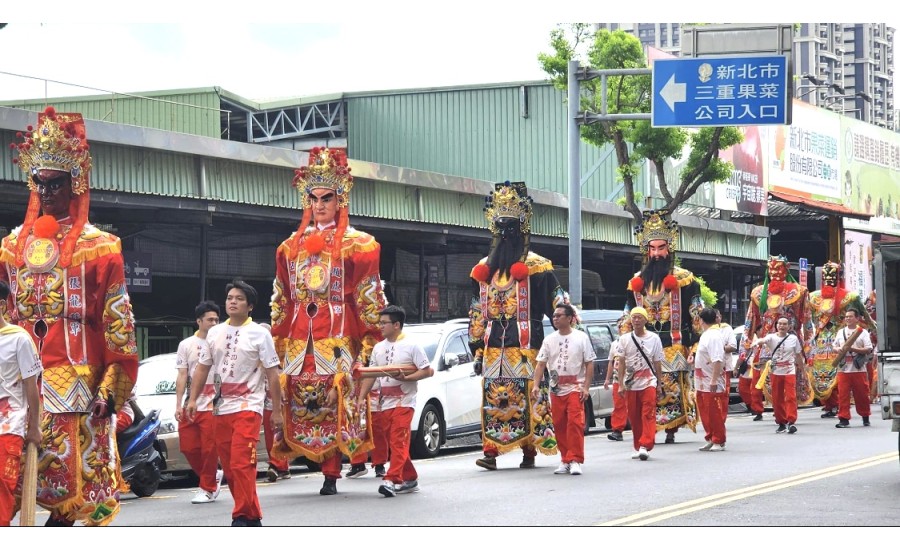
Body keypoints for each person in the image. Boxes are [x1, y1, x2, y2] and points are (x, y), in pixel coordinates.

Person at [1, 107, 139, 526]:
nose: (46, 193)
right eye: (39, 183)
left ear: (74, 182)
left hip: (78, 378)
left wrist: (111, 388)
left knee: (71, 480)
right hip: (16, 383)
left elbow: (119, 323)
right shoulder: (9, 248)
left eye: (56, 184)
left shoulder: (99, 247)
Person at [269, 147, 386, 496]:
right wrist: (276, 339)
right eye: (313, 198)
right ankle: (284, 461)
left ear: (340, 199)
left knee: (334, 398)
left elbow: (367, 297)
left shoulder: (359, 244)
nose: (319, 205)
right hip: (298, 339)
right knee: (298, 399)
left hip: (337, 338)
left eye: (327, 198)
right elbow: (281, 298)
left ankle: (332, 472)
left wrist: (368, 343)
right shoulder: (289, 247)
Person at [468, 181, 569, 470]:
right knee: (492, 401)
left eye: (511, 228)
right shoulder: (484, 270)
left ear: (522, 229)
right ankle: (491, 451)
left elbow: (558, 305)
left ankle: (529, 451)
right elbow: (476, 313)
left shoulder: (538, 267)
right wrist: (476, 350)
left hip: (526, 347)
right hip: (492, 350)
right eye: (501, 228)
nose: (506, 234)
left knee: (527, 397)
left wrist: (565, 343)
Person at [186, 280, 282, 527]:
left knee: (242, 462)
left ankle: (240, 514)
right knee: (230, 467)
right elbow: (202, 368)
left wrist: (277, 411)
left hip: (248, 407)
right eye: (230, 297)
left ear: (249, 306)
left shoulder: (261, 334)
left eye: (239, 298)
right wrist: (193, 399)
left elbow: (273, 374)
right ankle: (251, 516)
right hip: (220, 407)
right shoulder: (215, 332)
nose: (232, 301)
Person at [624, 210, 702, 444]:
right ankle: (650, 428)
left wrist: (697, 344)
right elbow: (627, 314)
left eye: (661, 248)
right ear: (646, 250)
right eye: (652, 248)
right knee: (647, 391)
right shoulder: (636, 281)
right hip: (644, 346)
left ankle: (671, 428)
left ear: (669, 248)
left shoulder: (686, 279)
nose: (657, 254)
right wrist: (622, 344)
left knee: (671, 389)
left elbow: (696, 314)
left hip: (674, 344)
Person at [356, 305, 433, 496]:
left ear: (396, 324)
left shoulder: (412, 345)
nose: (380, 326)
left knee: (398, 439)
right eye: (380, 323)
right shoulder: (378, 348)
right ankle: (410, 477)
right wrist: (360, 397)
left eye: (384, 323)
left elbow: (427, 370)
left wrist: (407, 378)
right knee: (395, 442)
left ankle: (391, 479)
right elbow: (371, 376)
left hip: (405, 401)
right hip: (385, 402)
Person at [739, 255, 815, 419]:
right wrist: (746, 344)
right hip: (768, 343)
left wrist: (808, 346)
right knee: (764, 381)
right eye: (771, 268)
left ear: (786, 268)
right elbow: (750, 321)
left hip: (790, 342)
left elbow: (807, 320)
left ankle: (789, 415)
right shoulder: (758, 293)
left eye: (778, 268)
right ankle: (768, 411)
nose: (774, 271)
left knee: (790, 384)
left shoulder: (798, 291)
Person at [531, 304, 596, 475]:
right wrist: (536, 385)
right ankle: (565, 459)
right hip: (556, 388)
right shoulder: (549, 339)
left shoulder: (581, 337)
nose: (555, 318)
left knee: (575, 423)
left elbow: (589, 364)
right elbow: (540, 364)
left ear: (569, 318)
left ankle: (575, 459)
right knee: (559, 425)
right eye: (554, 316)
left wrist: (586, 387)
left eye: (559, 315)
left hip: (575, 387)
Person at [807, 262, 873, 420]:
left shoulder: (850, 296)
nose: (828, 278)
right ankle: (830, 404)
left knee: (841, 378)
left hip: (843, 337)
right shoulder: (813, 297)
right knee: (820, 375)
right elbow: (808, 319)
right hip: (822, 342)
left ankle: (845, 408)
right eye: (826, 275)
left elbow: (864, 315)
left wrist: (874, 328)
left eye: (831, 275)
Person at [0, 280, 42, 527]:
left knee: (2, 490)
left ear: (2, 305)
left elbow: (31, 385)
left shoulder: (20, 339)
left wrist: (34, 426)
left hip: (8, 428)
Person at [175, 300, 224, 502]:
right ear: (199, 321)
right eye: (209, 319)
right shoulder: (186, 345)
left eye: (216, 319)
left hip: (215, 402)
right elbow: (181, 375)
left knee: (210, 448)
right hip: (191, 401)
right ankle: (213, 475)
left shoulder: (223, 343)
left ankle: (208, 488)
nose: (214, 323)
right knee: (188, 447)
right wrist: (178, 403)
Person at [616, 307, 664, 461]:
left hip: (649, 380)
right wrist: (621, 383)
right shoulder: (624, 339)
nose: (636, 320)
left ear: (645, 320)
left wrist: (659, 383)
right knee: (634, 415)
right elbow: (621, 362)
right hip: (631, 383)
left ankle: (645, 444)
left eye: (639, 317)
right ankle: (638, 445)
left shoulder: (654, 338)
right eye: (634, 317)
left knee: (648, 413)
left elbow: (657, 362)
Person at [748, 317, 804, 434]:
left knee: (790, 396)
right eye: (780, 324)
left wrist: (802, 370)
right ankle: (781, 422)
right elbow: (763, 340)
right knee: (777, 398)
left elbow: (798, 355)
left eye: (785, 324)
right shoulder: (771, 337)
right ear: (776, 325)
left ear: (789, 326)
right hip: (776, 371)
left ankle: (791, 421)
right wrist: (756, 342)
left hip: (789, 370)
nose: (782, 326)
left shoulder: (793, 338)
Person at [256, 322, 291, 483]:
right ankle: (279, 466)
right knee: (268, 436)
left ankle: (277, 465)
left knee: (276, 433)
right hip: (255, 399)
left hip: (274, 399)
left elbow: (281, 373)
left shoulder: (280, 350)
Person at [831, 308, 874, 428]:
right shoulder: (840, 332)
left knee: (862, 394)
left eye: (850, 316)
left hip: (858, 369)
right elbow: (834, 346)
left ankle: (865, 416)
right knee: (843, 395)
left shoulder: (863, 332)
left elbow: (868, 349)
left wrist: (852, 349)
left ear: (857, 318)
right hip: (843, 369)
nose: (848, 319)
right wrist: (838, 349)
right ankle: (844, 418)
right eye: (846, 317)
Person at [694, 308, 727, 452]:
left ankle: (718, 440)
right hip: (702, 380)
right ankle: (710, 436)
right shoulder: (706, 335)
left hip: (710, 380)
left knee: (713, 411)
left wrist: (714, 380)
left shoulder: (713, 336)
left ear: (701, 320)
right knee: (704, 411)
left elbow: (718, 359)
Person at [346, 376, 388, 479]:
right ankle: (358, 464)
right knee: (355, 432)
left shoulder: (373, 360)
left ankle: (379, 464)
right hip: (355, 402)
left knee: (378, 434)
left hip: (375, 402)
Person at [603, 315, 629, 442]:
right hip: (617, 379)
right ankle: (617, 430)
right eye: (619, 326)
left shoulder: (633, 341)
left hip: (632, 379)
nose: (621, 329)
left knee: (635, 405)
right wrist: (607, 379)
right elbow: (611, 362)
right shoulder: (614, 344)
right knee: (619, 405)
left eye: (623, 326)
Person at [713, 309, 737, 422]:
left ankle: (721, 418)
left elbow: (732, 346)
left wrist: (718, 347)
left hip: (724, 366)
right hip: (708, 367)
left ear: (720, 317)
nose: (716, 319)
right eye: (713, 317)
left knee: (723, 393)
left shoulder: (726, 329)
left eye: (717, 317)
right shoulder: (705, 330)